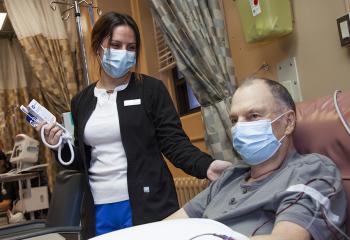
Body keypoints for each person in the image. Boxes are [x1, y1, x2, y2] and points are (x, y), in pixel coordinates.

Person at [35, 12, 231, 238]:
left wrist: (206, 165)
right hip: (99, 208)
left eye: (131, 47)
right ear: (98, 47)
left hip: (147, 203)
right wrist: (58, 145)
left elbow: (175, 143)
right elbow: (81, 161)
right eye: (116, 45)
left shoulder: (151, 90)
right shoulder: (81, 101)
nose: (124, 53)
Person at [166, 78, 347, 240]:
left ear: (289, 122)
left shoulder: (311, 170)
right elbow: (168, 227)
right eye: (235, 120)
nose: (240, 128)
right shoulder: (230, 176)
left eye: (253, 116)